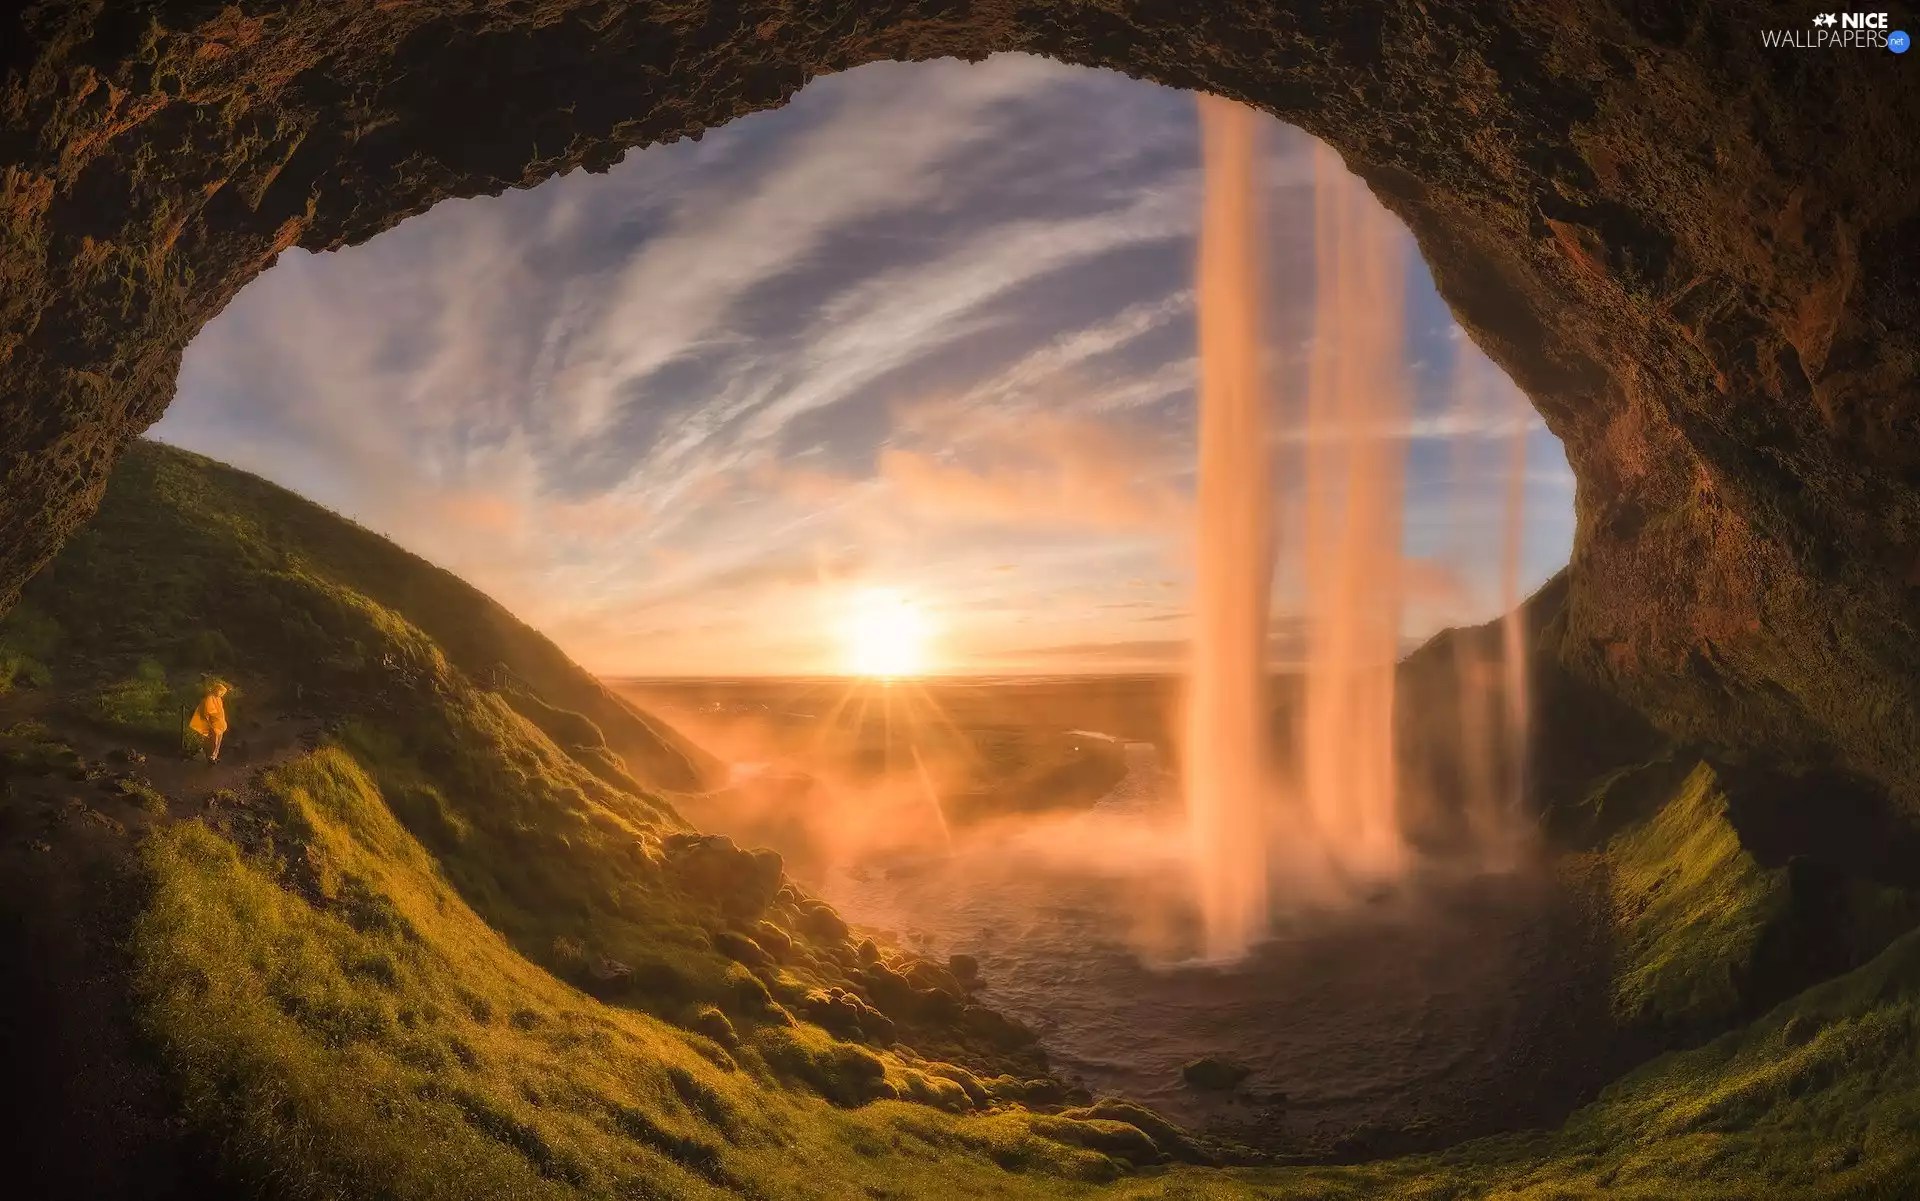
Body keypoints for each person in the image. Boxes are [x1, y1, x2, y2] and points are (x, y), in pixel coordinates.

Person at [189, 681, 231, 763]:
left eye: (223, 693)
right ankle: (211, 756)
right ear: (217, 690)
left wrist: (221, 717)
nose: (222, 694)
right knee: (214, 740)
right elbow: (209, 711)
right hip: (213, 723)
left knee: (219, 740)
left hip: (220, 723)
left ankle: (215, 756)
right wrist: (217, 715)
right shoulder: (210, 698)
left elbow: (221, 710)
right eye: (221, 692)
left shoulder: (219, 699)